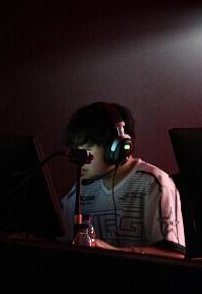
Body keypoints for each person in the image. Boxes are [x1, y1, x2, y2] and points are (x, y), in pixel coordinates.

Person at [59, 102, 186, 259]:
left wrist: (111, 252)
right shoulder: (80, 190)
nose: (79, 157)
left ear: (117, 146)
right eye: (76, 149)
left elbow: (174, 256)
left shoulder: (153, 184)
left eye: (88, 148)